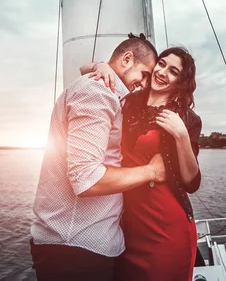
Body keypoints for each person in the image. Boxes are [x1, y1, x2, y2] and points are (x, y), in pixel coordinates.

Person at [30, 34, 165, 281]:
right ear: (126, 59)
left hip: (82, 247)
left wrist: (96, 66)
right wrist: (152, 171)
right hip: (75, 250)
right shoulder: (97, 92)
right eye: (144, 74)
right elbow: (86, 178)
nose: (145, 84)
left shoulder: (106, 89)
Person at [84, 46, 203, 281]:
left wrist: (180, 134)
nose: (162, 72)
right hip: (127, 225)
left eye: (173, 71)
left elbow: (192, 182)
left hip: (165, 227)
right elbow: (83, 71)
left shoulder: (187, 119)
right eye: (161, 64)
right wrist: (102, 66)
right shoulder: (128, 100)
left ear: (181, 81)